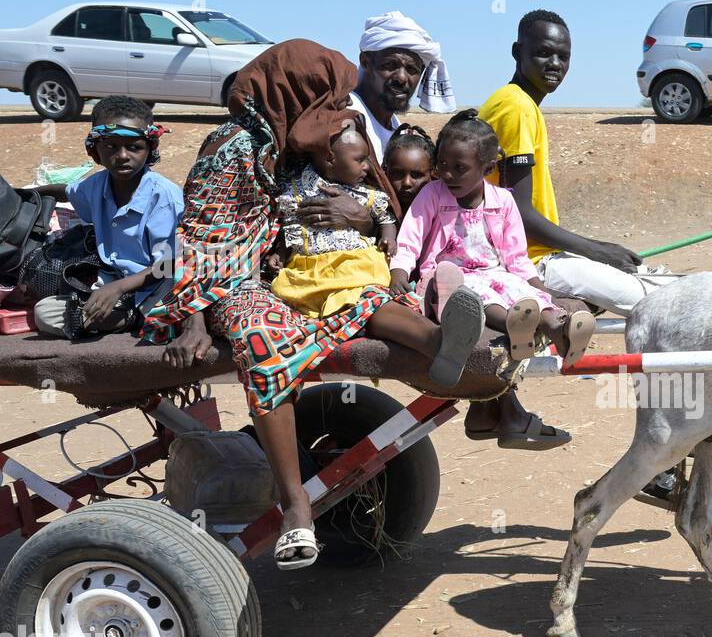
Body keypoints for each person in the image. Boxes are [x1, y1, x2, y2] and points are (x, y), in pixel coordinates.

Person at [142, 40, 484, 571]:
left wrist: (369, 222)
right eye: (327, 93)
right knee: (265, 340)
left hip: (288, 274)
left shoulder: (295, 142)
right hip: (226, 281)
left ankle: (449, 351)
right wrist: (192, 320)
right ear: (296, 91)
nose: (336, 105)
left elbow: (366, 196)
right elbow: (199, 236)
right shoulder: (232, 143)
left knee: (367, 296)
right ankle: (296, 503)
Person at [479, 10, 675, 317]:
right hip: (530, 261)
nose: (555, 65)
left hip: (539, 255)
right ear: (518, 52)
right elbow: (519, 214)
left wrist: (596, 252)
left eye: (563, 56)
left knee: (656, 280)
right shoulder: (516, 107)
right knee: (662, 300)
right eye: (543, 53)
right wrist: (597, 250)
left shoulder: (519, 102)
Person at [391, 111, 595, 384]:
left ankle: (555, 325)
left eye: (459, 168)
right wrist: (399, 272)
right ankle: (514, 322)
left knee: (518, 288)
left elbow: (516, 257)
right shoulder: (432, 195)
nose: (448, 174)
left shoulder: (503, 201)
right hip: (449, 278)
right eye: (442, 164)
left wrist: (540, 289)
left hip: (495, 272)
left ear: (487, 169)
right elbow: (409, 240)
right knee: (478, 297)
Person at [291, 12, 453, 245]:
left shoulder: (396, 127)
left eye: (412, 70)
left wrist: (366, 219)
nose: (401, 78)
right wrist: (367, 221)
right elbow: (325, 202)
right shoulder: (347, 117)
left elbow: (363, 211)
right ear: (366, 62)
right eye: (391, 66)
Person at [31, 96, 182, 337]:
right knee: (44, 296)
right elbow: (66, 191)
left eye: (134, 147)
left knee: (46, 314)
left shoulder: (162, 197)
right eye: (111, 147)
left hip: (155, 287)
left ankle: (135, 317)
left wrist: (118, 289)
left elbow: (168, 265)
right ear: (95, 151)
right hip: (112, 280)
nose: (122, 155)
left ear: (149, 149)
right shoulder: (95, 186)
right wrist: (26, 194)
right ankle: (120, 313)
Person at [266, 123, 399, 320]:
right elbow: (293, 228)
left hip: (354, 263)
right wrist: (281, 252)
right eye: (360, 160)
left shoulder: (365, 193)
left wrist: (389, 238)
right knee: (294, 290)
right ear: (330, 158)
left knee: (359, 290)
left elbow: (385, 218)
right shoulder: (297, 192)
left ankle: (346, 314)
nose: (367, 166)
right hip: (310, 268)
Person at [383, 123, 437, 215]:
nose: (406, 183)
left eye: (416, 175)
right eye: (398, 174)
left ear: (431, 173)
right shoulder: (376, 207)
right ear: (385, 171)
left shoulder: (442, 209)